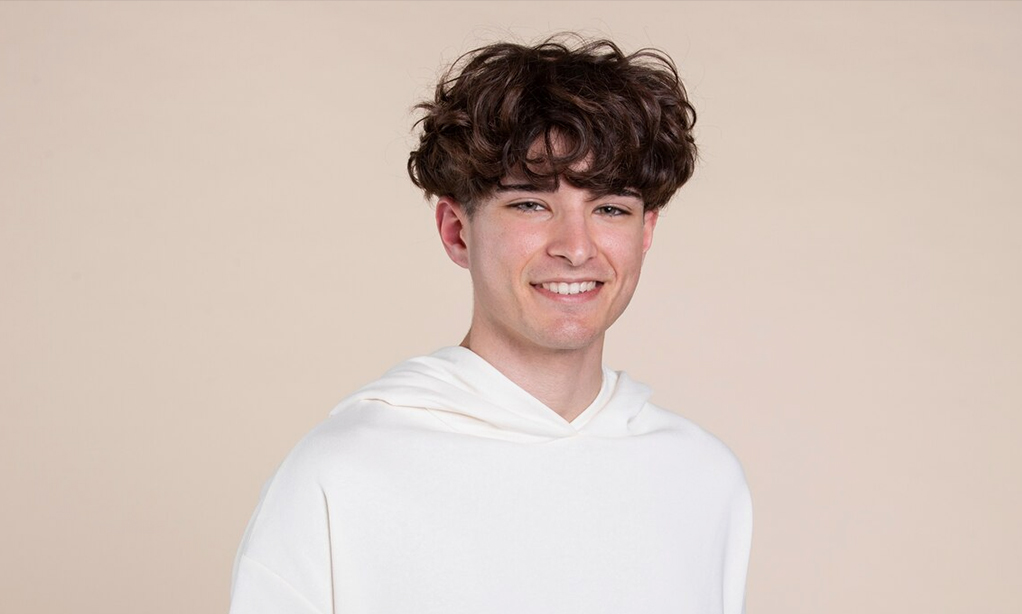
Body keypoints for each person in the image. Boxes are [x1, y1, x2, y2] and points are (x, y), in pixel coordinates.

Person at [229, 35, 752, 614]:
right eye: (531, 204)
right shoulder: (342, 475)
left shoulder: (703, 478)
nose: (576, 248)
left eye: (610, 208)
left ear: (645, 233)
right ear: (457, 232)